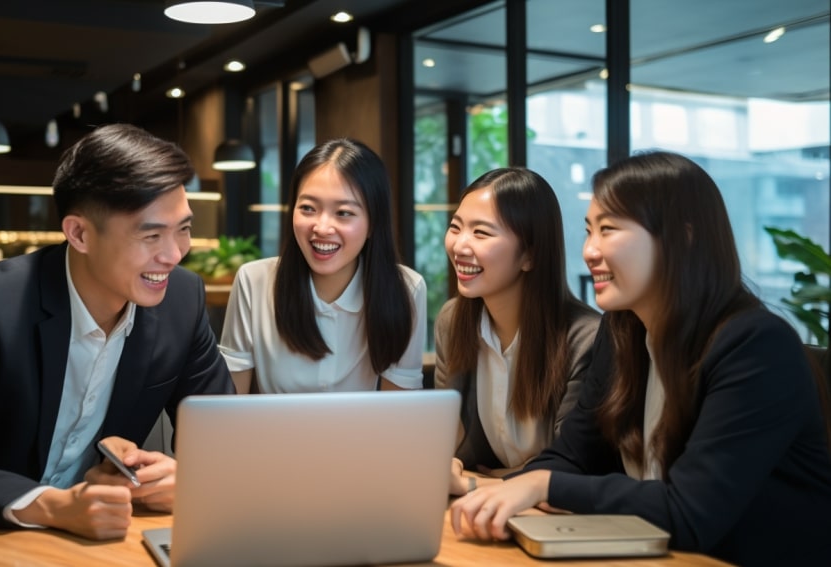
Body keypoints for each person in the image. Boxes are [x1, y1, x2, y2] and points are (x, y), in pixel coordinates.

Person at [449, 151, 831, 566]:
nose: (590, 251)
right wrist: (498, 493)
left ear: (682, 238)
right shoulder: (623, 331)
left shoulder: (755, 345)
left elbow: (691, 513)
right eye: (588, 231)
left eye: (608, 230)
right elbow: (572, 455)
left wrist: (544, 486)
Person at [0, 124, 235, 540]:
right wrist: (56, 506)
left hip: (99, 542)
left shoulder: (182, 299)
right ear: (80, 233)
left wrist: (187, 478)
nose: (174, 254)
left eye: (183, 229)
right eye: (151, 235)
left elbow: (225, 439)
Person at [436, 168, 599, 495]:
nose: (460, 245)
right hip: (483, 514)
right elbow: (447, 445)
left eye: (481, 233)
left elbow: (571, 469)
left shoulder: (586, 338)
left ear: (530, 254)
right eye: (456, 227)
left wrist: (477, 483)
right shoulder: (453, 321)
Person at [218, 138, 426, 393]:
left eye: (343, 213)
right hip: (271, 434)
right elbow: (231, 405)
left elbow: (398, 413)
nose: (322, 228)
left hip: (365, 435)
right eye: (308, 208)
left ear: (373, 223)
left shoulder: (406, 290)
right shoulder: (254, 282)